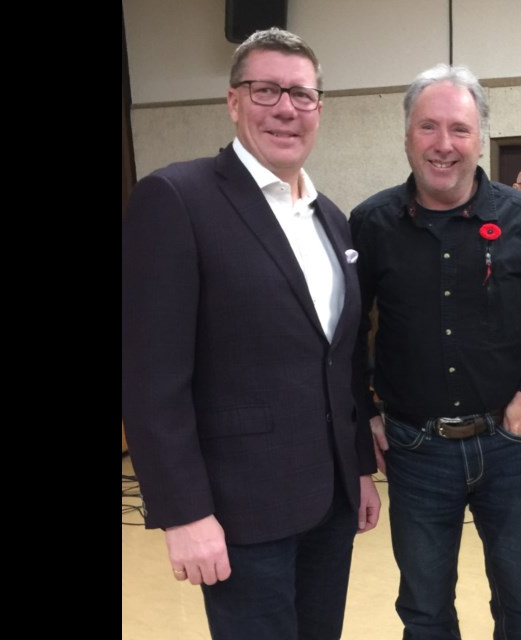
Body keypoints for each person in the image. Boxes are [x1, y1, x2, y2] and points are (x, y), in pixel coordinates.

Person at [122, 28, 380, 639]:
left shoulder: (333, 220)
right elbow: (151, 377)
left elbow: (340, 365)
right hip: (238, 511)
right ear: (233, 102)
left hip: (330, 501)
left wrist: (361, 470)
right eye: (266, 91)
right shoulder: (176, 199)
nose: (286, 109)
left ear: (320, 108)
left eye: (301, 94)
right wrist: (184, 514)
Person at [350, 63, 521, 640]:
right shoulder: (372, 224)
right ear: (407, 135)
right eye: (428, 127)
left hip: (510, 448)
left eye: (459, 128)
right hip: (415, 450)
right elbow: (345, 332)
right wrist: (366, 412)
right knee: (425, 611)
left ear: (480, 137)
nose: (443, 145)